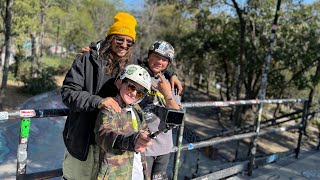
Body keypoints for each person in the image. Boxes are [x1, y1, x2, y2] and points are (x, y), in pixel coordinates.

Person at [61, 12, 181, 180]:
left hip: (114, 148)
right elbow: (68, 93)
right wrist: (99, 101)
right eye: (119, 39)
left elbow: (156, 63)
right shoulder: (88, 59)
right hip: (85, 141)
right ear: (110, 38)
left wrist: (172, 73)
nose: (124, 45)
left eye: (129, 41)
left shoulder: (131, 65)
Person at [94, 64, 153, 180]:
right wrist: (132, 140)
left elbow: (144, 129)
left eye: (140, 92)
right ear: (119, 83)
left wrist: (146, 136)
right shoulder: (109, 108)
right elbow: (103, 135)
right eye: (131, 87)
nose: (134, 93)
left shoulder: (137, 110)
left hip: (137, 172)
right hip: (114, 175)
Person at [139, 40, 182, 180]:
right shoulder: (138, 76)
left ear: (168, 64)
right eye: (156, 56)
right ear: (149, 56)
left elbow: (177, 119)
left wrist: (167, 94)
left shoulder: (170, 83)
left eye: (164, 59)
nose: (159, 62)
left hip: (164, 148)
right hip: (142, 147)